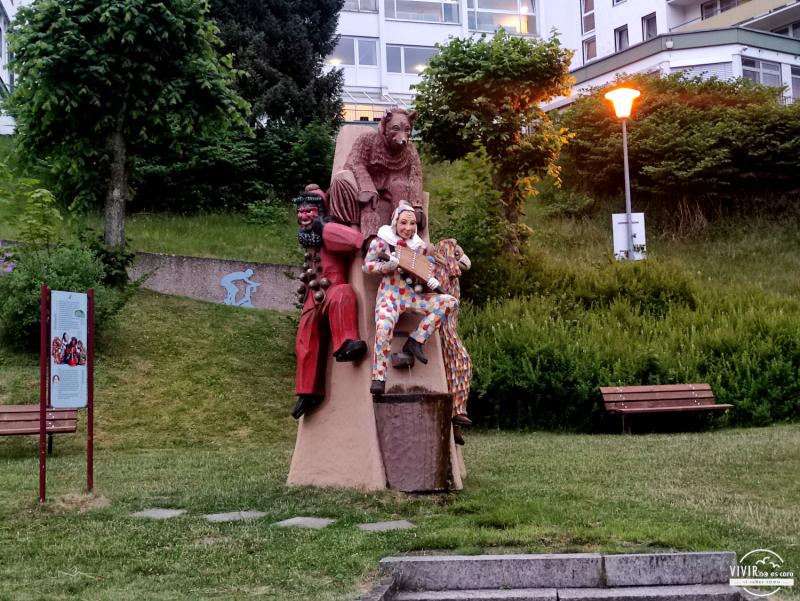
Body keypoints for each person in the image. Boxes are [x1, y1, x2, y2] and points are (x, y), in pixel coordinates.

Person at [362, 202, 458, 395]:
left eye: (412, 223)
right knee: (384, 327)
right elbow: (367, 266)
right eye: (404, 223)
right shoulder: (381, 242)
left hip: (412, 295)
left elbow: (421, 270)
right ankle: (379, 377)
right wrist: (384, 267)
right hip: (391, 295)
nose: (408, 228)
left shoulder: (419, 247)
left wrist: (427, 279)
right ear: (395, 222)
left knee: (449, 301)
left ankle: (416, 341)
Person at [292, 187, 368, 419]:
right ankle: (308, 391)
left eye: (309, 211)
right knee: (305, 339)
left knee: (343, 295)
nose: (303, 216)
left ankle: (346, 343)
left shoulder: (326, 230)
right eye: (300, 211)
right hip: (312, 298)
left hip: (332, 288)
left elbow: (356, 241)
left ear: (320, 212)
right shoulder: (310, 239)